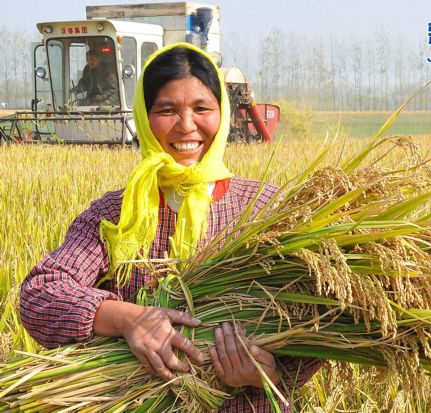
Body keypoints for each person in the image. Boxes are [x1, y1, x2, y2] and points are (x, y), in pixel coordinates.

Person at [20, 42, 320, 412]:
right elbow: (40, 294)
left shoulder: (266, 210)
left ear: (222, 114)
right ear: (145, 119)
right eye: (167, 110)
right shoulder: (116, 213)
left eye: (201, 108)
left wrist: (267, 373)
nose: (187, 126)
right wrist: (130, 319)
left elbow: (321, 322)